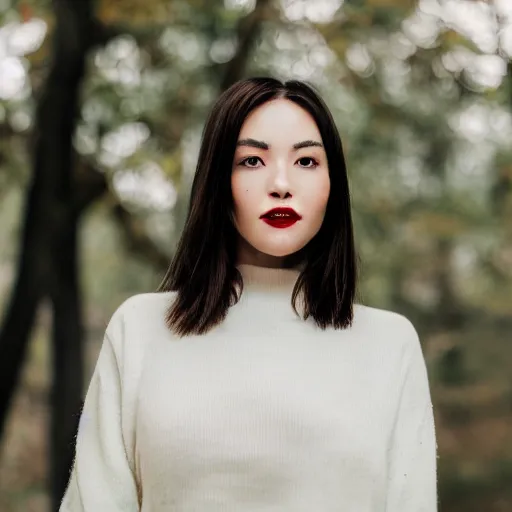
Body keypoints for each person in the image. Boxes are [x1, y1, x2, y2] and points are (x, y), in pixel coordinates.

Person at [59, 77, 438, 511]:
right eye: (253, 161)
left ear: (334, 186)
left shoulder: (389, 344)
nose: (281, 183)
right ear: (218, 182)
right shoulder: (140, 329)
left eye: (307, 162)